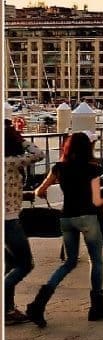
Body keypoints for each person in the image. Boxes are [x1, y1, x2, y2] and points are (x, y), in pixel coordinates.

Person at [26, 132, 103, 328]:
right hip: (88, 218)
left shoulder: (59, 168)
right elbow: (96, 200)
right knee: (96, 261)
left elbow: (39, 191)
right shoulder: (93, 169)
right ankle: (96, 307)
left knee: (69, 262)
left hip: (67, 218)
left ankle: (39, 303)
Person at [5, 124, 42, 325]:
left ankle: (8, 310)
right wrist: (21, 140)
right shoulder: (10, 161)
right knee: (25, 264)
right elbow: (39, 154)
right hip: (8, 220)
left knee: (10, 263)